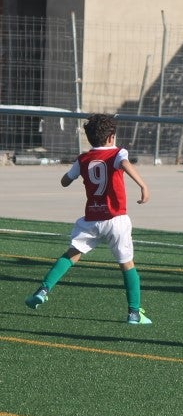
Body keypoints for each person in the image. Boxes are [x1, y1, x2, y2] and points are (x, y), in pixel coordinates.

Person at [25, 113, 153, 325]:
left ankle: (43, 289)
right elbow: (125, 163)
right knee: (127, 264)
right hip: (116, 219)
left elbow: (65, 181)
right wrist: (143, 185)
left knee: (71, 254)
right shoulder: (117, 153)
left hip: (92, 218)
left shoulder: (83, 159)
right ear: (111, 137)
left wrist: (73, 173)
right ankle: (133, 312)